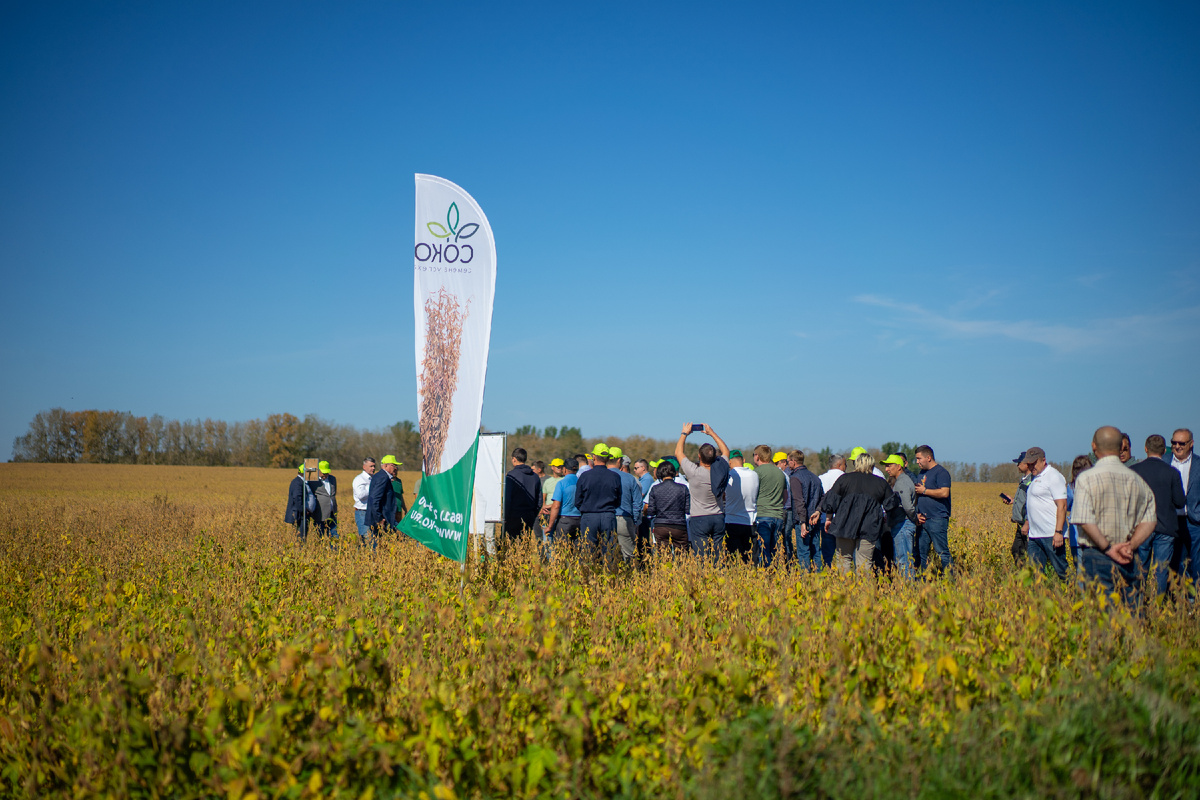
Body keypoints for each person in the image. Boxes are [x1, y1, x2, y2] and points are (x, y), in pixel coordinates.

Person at [1073, 426, 1157, 607]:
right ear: (1120, 448)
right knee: (1131, 611)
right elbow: (1150, 519)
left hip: (1097, 554)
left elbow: (1085, 520)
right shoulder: (1136, 479)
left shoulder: (1086, 479)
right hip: (1128, 555)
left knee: (1102, 615)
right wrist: (1131, 545)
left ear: (1094, 447)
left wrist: (1108, 548)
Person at [1130, 435, 1186, 598]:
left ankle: (1138, 604)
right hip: (1166, 527)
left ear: (1146, 449)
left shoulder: (1135, 471)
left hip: (1141, 527)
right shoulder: (1172, 472)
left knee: (1140, 568)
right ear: (1164, 450)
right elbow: (1180, 502)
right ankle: (1158, 606)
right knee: (1161, 571)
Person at [821, 453, 892, 572]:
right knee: (865, 562)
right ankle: (864, 590)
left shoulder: (845, 479)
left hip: (844, 525)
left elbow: (831, 501)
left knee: (844, 560)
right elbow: (891, 504)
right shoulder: (880, 483)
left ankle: (845, 589)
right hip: (869, 527)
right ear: (872, 465)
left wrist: (828, 519)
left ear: (856, 463)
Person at [676, 423, 731, 562]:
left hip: (699, 518)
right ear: (715, 457)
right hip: (718, 516)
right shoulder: (721, 470)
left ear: (699, 457)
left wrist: (684, 433)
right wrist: (712, 433)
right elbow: (726, 452)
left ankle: (704, 579)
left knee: (701, 557)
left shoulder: (694, 472)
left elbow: (678, 453)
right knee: (718, 557)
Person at [1022, 448, 1068, 580]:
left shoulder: (1054, 476)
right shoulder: (1035, 478)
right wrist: (1027, 523)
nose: (1031, 466)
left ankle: (1074, 594)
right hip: (1035, 535)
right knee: (1034, 574)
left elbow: (1062, 505)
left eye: (1033, 463)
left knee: (1062, 571)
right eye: (1029, 464)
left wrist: (1058, 532)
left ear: (1043, 460)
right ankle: (1038, 599)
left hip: (1051, 535)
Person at [574, 444, 622, 556]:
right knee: (609, 552)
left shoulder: (585, 476)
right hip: (608, 516)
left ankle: (589, 573)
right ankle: (608, 573)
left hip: (589, 515)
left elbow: (577, 500)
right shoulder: (615, 477)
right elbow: (618, 500)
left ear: (594, 457)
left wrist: (586, 510)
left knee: (588, 552)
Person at [913, 445, 953, 575]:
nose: (917, 462)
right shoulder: (922, 474)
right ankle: (922, 581)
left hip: (937, 518)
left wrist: (924, 490)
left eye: (919, 459)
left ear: (928, 458)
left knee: (942, 552)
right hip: (923, 519)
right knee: (920, 553)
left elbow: (944, 492)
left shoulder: (941, 473)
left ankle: (950, 581)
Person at [1169, 428, 1199, 583]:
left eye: (1181, 443)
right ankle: (1179, 597)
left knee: (1196, 562)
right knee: (1175, 562)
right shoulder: (1165, 461)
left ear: (1191, 444)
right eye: (1174, 442)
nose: (1177, 446)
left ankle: (1195, 598)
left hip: (1194, 521)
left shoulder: (1198, 464)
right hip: (1171, 520)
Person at [881, 454, 918, 579]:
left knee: (904, 559)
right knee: (903, 558)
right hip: (902, 524)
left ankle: (908, 589)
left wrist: (915, 519)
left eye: (889, 466)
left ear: (899, 467)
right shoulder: (902, 480)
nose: (886, 469)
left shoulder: (902, 482)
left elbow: (907, 506)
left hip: (903, 524)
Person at [787, 450, 824, 571]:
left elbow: (799, 501)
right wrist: (818, 511)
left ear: (793, 461)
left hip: (803, 522)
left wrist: (803, 523)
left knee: (803, 553)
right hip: (815, 520)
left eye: (788, 462)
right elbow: (823, 497)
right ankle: (819, 579)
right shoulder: (815, 477)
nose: (788, 464)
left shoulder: (795, 478)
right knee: (816, 551)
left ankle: (806, 582)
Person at [751, 445, 787, 567]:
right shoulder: (780, 473)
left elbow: (752, 494)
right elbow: (785, 495)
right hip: (778, 515)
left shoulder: (757, 473)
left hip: (763, 515)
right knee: (774, 551)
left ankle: (765, 578)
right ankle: (775, 576)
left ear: (758, 456)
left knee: (763, 550)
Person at [608, 447, 644, 563]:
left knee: (609, 555)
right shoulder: (630, 478)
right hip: (625, 519)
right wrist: (634, 521)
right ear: (619, 461)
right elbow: (638, 502)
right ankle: (632, 578)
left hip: (606, 518)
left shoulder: (602, 476)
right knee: (629, 555)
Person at [646, 460, 690, 553]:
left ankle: (665, 568)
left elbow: (651, 511)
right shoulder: (683, 488)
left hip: (661, 526)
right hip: (679, 526)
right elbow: (687, 510)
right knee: (681, 556)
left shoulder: (655, 488)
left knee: (664, 556)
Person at [724, 449, 758, 561]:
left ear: (729, 462)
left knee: (734, 559)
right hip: (751, 521)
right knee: (750, 558)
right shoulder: (754, 475)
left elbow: (724, 495)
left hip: (732, 521)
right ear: (743, 460)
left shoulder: (729, 476)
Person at [1002, 452, 1034, 565]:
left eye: (1019, 463)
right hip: (1020, 524)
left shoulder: (1033, 480)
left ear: (1027, 464)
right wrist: (1012, 500)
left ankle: (1028, 577)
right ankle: (1022, 577)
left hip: (1027, 524)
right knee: (1016, 550)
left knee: (1025, 553)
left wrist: (1027, 522)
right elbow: (1023, 499)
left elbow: (1032, 503)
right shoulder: (1024, 479)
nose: (1017, 466)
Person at [504, 447, 542, 540]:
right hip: (529, 516)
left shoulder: (511, 476)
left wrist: (506, 516)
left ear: (514, 459)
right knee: (525, 544)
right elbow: (539, 500)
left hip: (514, 516)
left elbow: (507, 498)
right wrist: (533, 514)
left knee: (511, 545)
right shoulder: (535, 477)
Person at [818, 454, 847, 569]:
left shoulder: (821, 478)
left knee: (827, 546)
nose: (846, 467)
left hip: (825, 515)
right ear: (839, 465)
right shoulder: (845, 478)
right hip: (842, 515)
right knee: (843, 548)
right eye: (845, 464)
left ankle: (827, 568)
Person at [544, 457, 581, 546]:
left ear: (564, 469)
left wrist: (550, 526)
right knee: (577, 551)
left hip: (565, 520)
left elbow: (556, 506)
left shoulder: (561, 483)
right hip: (579, 520)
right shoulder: (581, 482)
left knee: (562, 550)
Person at [366, 455, 402, 539]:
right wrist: (379, 519)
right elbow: (375, 499)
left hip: (383, 518)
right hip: (382, 519)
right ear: (385, 466)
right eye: (394, 465)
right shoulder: (383, 477)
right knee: (402, 536)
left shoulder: (380, 476)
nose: (396, 468)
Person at [1066, 456, 1092, 571]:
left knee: (1080, 572)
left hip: (1076, 535)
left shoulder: (1071, 487)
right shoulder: (1096, 484)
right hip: (1094, 535)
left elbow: (1067, 505)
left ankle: (1082, 589)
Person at [283, 463, 318, 542]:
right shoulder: (297, 483)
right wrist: (304, 511)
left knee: (303, 535)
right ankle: (300, 550)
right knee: (301, 537)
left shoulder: (303, 482)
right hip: (300, 515)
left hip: (304, 514)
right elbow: (297, 499)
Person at [352, 457, 377, 544]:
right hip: (362, 512)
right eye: (371, 466)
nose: (373, 468)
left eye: (374, 466)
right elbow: (361, 495)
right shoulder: (359, 479)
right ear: (364, 467)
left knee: (374, 538)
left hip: (372, 512)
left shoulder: (373, 478)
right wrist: (373, 488)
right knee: (366, 538)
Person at [312, 461, 339, 542]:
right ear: (318, 471)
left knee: (334, 535)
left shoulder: (332, 479)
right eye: (323, 473)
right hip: (320, 513)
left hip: (332, 513)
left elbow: (333, 494)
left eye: (326, 473)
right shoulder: (313, 480)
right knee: (320, 536)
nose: (325, 475)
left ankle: (334, 551)